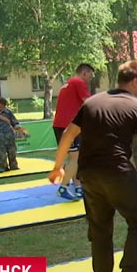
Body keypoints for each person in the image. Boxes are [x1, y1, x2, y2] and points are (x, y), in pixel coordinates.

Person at [48, 60, 137, 272]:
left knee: (100, 229)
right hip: (117, 171)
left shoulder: (92, 102)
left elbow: (68, 134)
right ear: (135, 81)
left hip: (88, 174)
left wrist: (58, 167)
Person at [52, 63, 94, 200]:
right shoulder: (79, 82)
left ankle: (77, 187)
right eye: (90, 76)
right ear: (85, 73)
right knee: (75, 158)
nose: (90, 80)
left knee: (74, 158)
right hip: (68, 126)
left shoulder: (68, 83)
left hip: (61, 125)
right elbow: (88, 103)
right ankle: (63, 187)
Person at [0, 97, 22, 172]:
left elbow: (14, 121)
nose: (0, 107)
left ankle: (13, 165)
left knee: (12, 151)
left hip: (9, 134)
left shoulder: (8, 112)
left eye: (2, 106)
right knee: (1, 152)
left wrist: (17, 126)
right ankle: (3, 167)